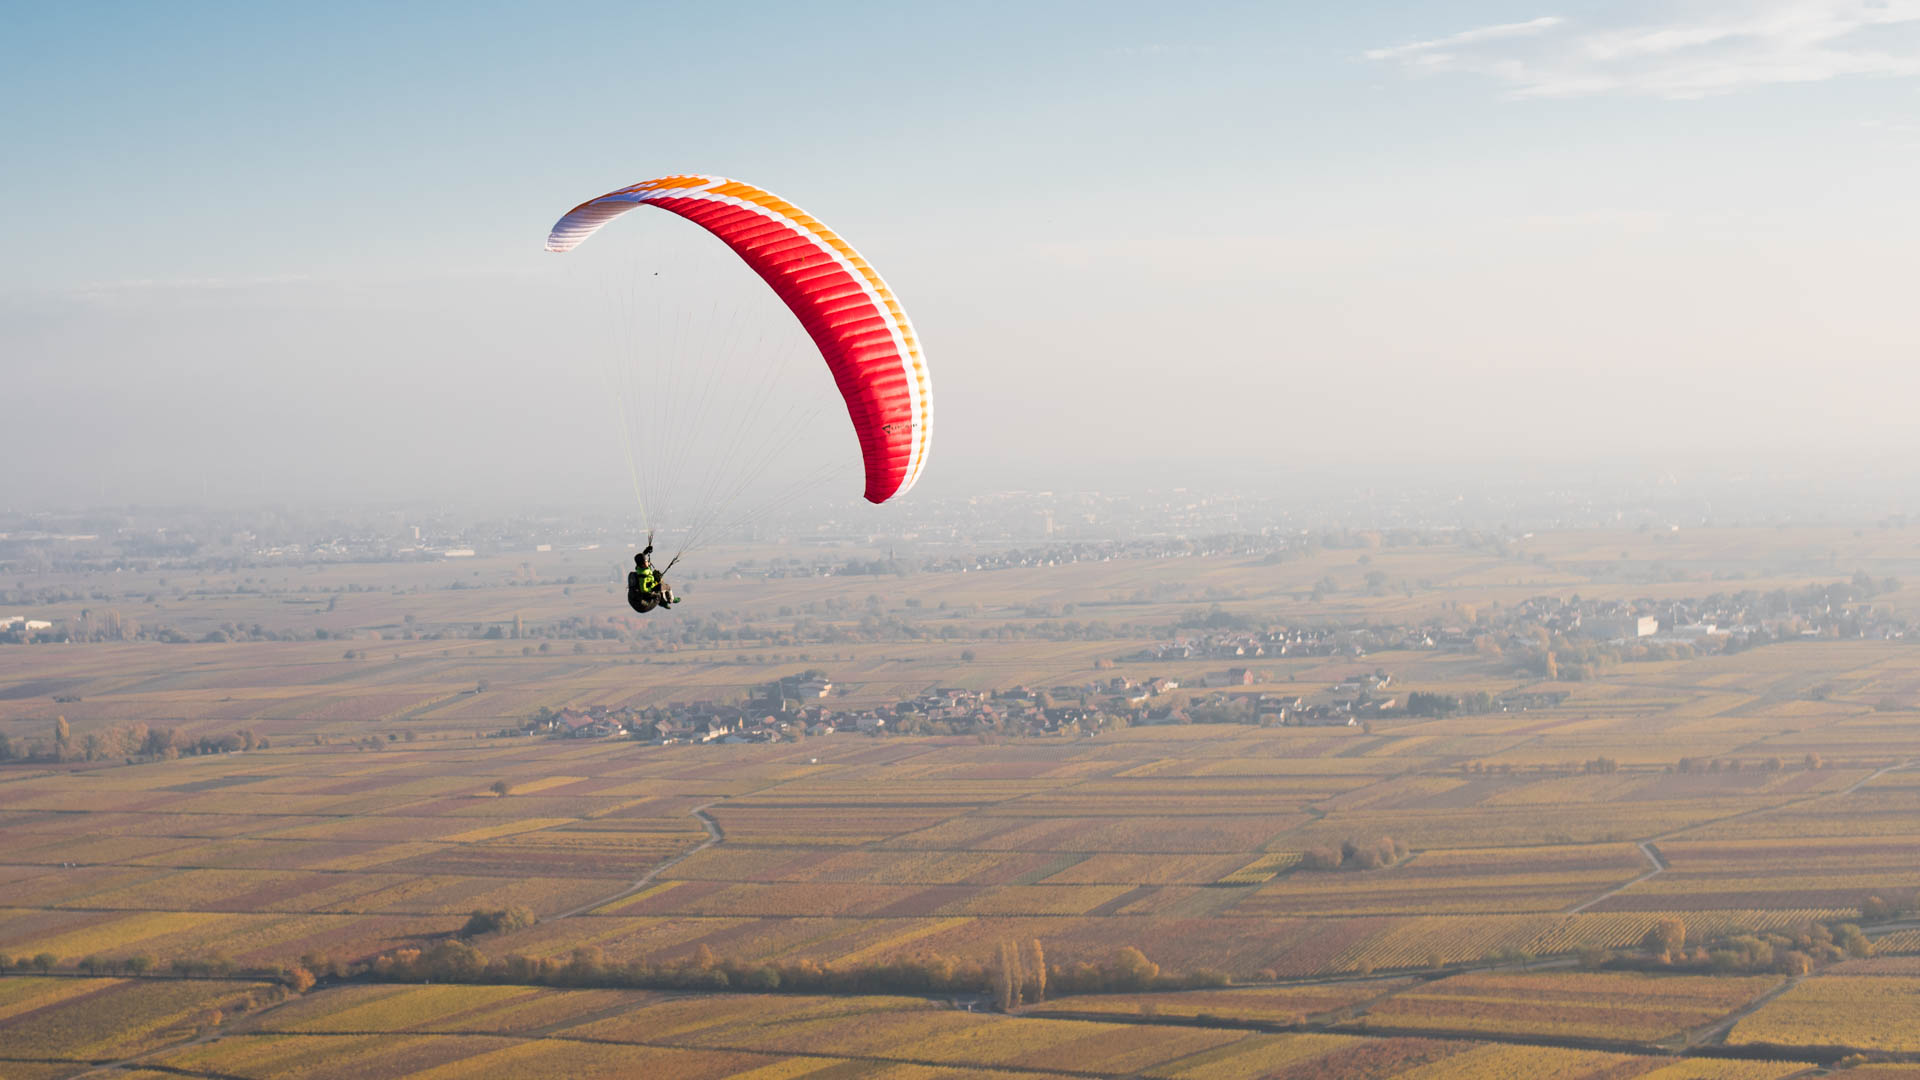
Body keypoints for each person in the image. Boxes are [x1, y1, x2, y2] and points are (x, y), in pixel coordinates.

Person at [627, 535, 677, 613]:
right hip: (643, 605)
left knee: (659, 582)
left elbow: (640, 560)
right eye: (646, 561)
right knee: (662, 587)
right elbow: (645, 590)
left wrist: (645, 552)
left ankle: (665, 600)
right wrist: (656, 582)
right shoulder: (643, 577)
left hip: (635, 600)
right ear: (643, 564)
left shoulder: (639, 568)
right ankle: (669, 600)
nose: (648, 561)